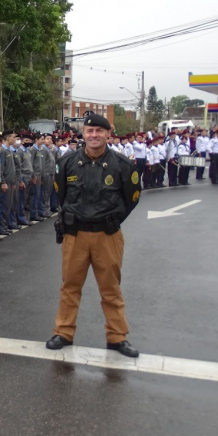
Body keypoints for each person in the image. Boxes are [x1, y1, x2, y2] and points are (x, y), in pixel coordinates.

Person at [47, 113, 142, 358]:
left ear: (108, 134)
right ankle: (63, 332)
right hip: (75, 234)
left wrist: (111, 220)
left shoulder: (122, 164)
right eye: (90, 131)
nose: (94, 135)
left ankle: (117, 336)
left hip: (107, 235)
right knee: (70, 286)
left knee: (111, 289)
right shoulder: (67, 162)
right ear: (83, 134)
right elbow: (61, 194)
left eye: (99, 131)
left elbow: (132, 198)